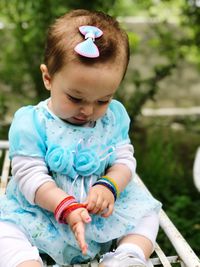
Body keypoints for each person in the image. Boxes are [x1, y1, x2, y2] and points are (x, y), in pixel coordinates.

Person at [0, 9, 161, 267]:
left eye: (103, 100)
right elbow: (30, 176)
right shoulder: (32, 123)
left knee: (148, 212)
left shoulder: (113, 118)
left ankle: (127, 255)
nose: (88, 110)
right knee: (4, 229)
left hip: (98, 214)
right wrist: (64, 205)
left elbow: (124, 160)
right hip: (43, 213)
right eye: (75, 98)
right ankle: (24, 262)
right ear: (48, 78)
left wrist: (109, 185)